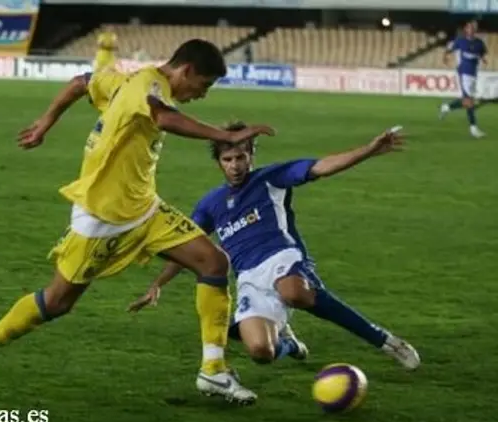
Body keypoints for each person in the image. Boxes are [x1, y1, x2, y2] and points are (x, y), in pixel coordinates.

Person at [0, 39, 275, 404]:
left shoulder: (126, 80)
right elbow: (162, 117)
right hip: (102, 218)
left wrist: (46, 122)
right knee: (57, 302)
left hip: (145, 210)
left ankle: (213, 372)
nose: (201, 95)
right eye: (203, 85)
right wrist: (227, 135)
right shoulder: (150, 85)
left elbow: (80, 82)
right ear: (186, 71)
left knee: (214, 262)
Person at [128, 122, 421, 371]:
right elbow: (188, 249)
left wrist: (369, 150)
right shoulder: (210, 204)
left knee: (295, 292)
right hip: (249, 278)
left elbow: (322, 167)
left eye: (241, 157)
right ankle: (289, 343)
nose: (235, 166)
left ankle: (385, 341)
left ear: (252, 155)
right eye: (228, 159)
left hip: (282, 256)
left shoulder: (271, 178)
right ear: (219, 162)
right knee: (260, 352)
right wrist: (158, 284)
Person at [439, 19, 488, 138]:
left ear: (476, 30)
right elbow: (449, 50)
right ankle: (473, 128)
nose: (471, 30)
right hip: (464, 73)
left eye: (474, 28)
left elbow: (482, 53)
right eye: (470, 27)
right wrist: (445, 57)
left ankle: (447, 107)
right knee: (469, 102)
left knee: (468, 101)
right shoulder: (460, 41)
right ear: (466, 29)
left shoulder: (479, 43)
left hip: (473, 74)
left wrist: (483, 59)